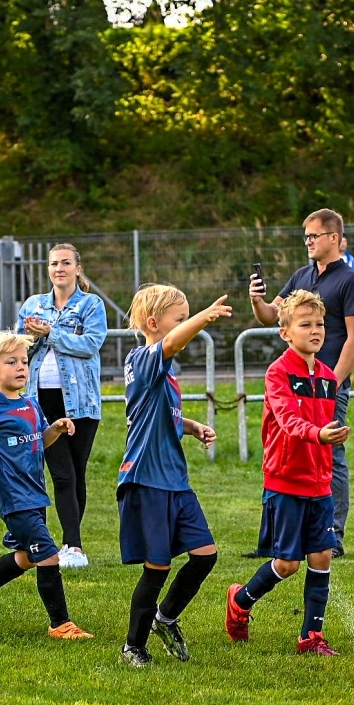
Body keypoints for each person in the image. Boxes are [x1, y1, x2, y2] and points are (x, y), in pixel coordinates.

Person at [225, 290, 350, 655]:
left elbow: (323, 424)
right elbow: (288, 419)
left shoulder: (328, 377)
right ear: (285, 333)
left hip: (320, 483)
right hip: (286, 481)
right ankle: (241, 600)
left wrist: (331, 437)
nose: (315, 331)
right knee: (288, 563)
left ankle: (311, 637)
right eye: (305, 324)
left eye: (320, 324)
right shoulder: (277, 373)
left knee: (322, 556)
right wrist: (318, 434)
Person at [117, 285, 230, 668]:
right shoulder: (143, 358)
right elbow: (172, 344)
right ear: (153, 323)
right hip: (147, 479)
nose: (185, 325)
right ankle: (133, 647)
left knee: (205, 555)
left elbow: (161, 416)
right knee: (158, 566)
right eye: (179, 318)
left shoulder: (165, 373)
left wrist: (192, 426)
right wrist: (204, 317)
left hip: (175, 481)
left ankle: (164, 619)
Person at [0, 331, 93, 641]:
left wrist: (55, 428)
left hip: (35, 494)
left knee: (27, 556)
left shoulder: (31, 404)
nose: (21, 367)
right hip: (13, 497)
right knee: (48, 555)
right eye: (11, 362)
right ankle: (60, 624)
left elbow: (41, 441)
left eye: (24, 362)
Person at [249, 208, 354, 556]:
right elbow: (271, 316)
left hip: (328, 385)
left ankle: (333, 537)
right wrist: (256, 299)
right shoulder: (301, 275)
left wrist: (332, 383)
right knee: (285, 447)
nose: (308, 242)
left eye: (314, 236)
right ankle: (277, 537)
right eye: (306, 237)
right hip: (295, 379)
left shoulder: (350, 281)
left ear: (334, 238)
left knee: (331, 454)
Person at [18, 243, 107, 568]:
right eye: (54, 263)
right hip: (42, 401)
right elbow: (19, 349)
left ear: (77, 268)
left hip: (81, 402)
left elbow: (91, 344)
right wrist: (33, 336)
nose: (60, 268)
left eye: (66, 263)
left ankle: (71, 542)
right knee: (62, 473)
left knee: (76, 472)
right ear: (48, 269)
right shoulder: (33, 305)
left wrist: (51, 332)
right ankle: (74, 546)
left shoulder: (91, 305)